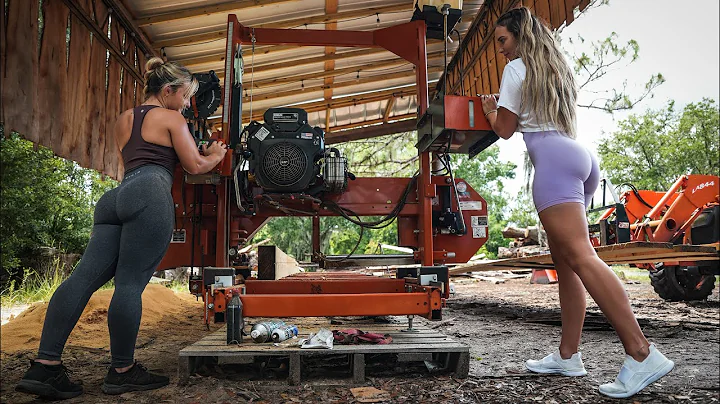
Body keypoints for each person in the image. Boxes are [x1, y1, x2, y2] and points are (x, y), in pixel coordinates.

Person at [479, 7, 674, 399]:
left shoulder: (517, 69)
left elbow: (504, 129)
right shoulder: (556, 68)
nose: (500, 50)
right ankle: (568, 355)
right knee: (566, 263)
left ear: (519, 37)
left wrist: (488, 106)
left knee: (582, 258)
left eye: (502, 41)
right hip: (580, 158)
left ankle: (642, 354)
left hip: (552, 163)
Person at [15, 57, 228, 400]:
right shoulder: (172, 118)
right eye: (185, 97)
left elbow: (140, 157)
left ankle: (45, 365)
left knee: (81, 279)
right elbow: (195, 165)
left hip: (117, 197)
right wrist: (215, 153)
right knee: (129, 284)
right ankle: (122, 371)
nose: (187, 105)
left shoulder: (124, 119)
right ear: (168, 91)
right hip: (150, 196)